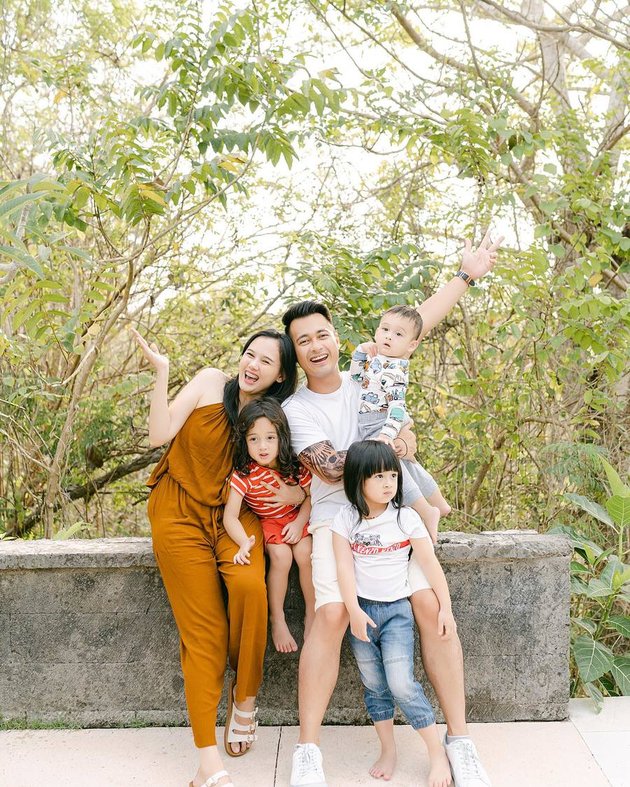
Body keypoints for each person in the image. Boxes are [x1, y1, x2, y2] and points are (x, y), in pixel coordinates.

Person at [283, 230, 501, 787]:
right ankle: (308, 751)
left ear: (336, 338)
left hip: (395, 514)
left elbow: (414, 323)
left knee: (430, 606)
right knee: (329, 616)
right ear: (296, 352)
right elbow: (331, 468)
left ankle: (460, 740)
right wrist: (390, 446)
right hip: (340, 522)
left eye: (322, 334)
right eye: (303, 340)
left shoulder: (368, 375)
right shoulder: (297, 407)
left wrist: (466, 275)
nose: (316, 345)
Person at [131, 327, 302, 787]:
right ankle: (207, 761)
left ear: (281, 374)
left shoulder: (277, 416)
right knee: (205, 631)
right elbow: (158, 434)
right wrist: (162, 372)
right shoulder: (210, 382)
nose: (253, 365)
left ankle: (245, 697)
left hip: (235, 515)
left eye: (266, 361)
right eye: (250, 354)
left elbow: (309, 463)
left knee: (250, 588)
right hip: (179, 510)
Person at [332, 440, 458, 787]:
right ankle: (388, 750)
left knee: (401, 683)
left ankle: (436, 754)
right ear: (359, 480)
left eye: (392, 474)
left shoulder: (405, 517)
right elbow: (343, 569)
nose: (389, 482)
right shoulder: (345, 520)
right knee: (374, 685)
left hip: (397, 613)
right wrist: (354, 612)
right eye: (378, 476)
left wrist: (445, 609)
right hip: (363, 615)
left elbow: (430, 566)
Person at [350, 304, 451, 542]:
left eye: (398, 334)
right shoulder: (379, 360)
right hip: (376, 421)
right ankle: (439, 504)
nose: (388, 336)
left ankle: (427, 512)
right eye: (385, 329)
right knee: (409, 466)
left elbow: (397, 407)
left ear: (411, 345)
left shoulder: (394, 369)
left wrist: (387, 434)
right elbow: (356, 377)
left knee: (393, 470)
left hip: (381, 423)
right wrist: (360, 352)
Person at [223, 398, 315, 653]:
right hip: (269, 523)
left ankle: (312, 614)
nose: (262, 446)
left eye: (270, 438)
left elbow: (311, 498)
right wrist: (243, 542)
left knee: (305, 553)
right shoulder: (244, 474)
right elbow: (230, 516)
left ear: (281, 437)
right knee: (281, 556)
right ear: (244, 441)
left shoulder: (294, 467)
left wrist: (299, 523)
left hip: (297, 517)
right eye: (253, 439)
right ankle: (278, 618)